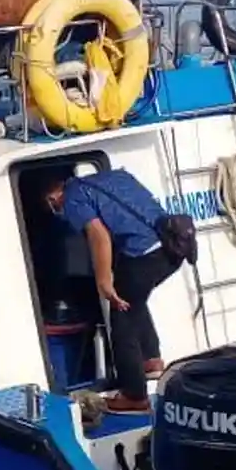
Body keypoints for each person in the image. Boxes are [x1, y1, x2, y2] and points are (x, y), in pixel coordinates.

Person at [43, 168, 182, 414]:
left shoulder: (73, 198)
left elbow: (99, 237)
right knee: (133, 298)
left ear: (53, 197)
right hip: (175, 246)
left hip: (145, 255)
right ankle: (151, 360)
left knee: (122, 317)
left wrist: (104, 281)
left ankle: (134, 396)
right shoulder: (115, 176)